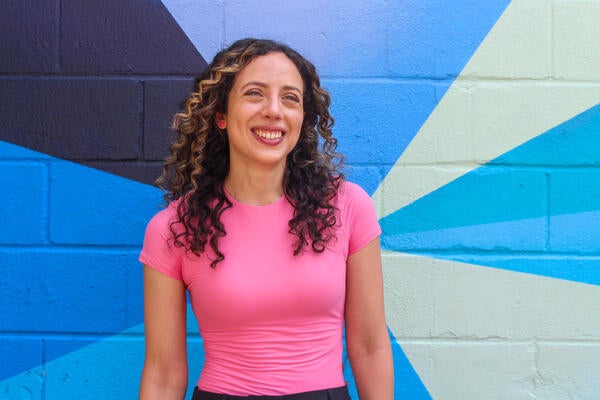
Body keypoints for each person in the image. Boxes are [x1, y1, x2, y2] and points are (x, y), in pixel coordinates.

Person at [138, 38, 393, 400]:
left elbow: (370, 345)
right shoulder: (174, 228)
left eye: (290, 98)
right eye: (255, 94)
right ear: (221, 115)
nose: (274, 110)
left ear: (302, 118)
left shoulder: (348, 206)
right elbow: (163, 375)